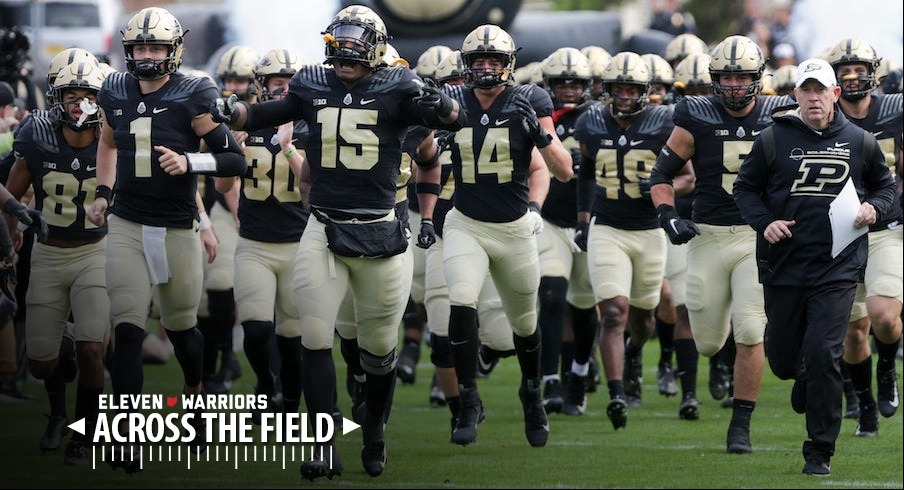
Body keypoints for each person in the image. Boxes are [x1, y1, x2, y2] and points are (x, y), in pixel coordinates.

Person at [209, 4, 464, 479]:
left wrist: (441, 103)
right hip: (323, 229)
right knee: (315, 338)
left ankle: (373, 431)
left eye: (355, 40)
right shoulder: (311, 83)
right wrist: (233, 111)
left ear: (376, 47)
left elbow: (451, 119)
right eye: (339, 39)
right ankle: (323, 444)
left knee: (377, 351)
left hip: (382, 234)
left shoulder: (398, 84)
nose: (345, 49)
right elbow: (266, 111)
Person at [87, 6, 247, 471]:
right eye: (140, 47)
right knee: (128, 328)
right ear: (128, 50)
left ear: (174, 50)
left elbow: (233, 160)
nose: (148, 56)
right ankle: (128, 434)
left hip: (178, 224)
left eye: (156, 47)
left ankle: (195, 397)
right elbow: (108, 142)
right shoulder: (114, 89)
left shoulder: (193, 92)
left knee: (182, 330)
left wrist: (190, 162)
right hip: (127, 223)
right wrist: (102, 193)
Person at [733, 57, 896, 475]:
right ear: (795, 95)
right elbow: (745, 188)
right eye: (806, 90)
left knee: (826, 352)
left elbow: (885, 187)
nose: (813, 98)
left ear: (835, 94)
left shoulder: (860, 141)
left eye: (820, 90)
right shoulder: (772, 139)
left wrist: (873, 209)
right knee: (785, 361)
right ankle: (801, 371)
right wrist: (764, 222)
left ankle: (819, 451)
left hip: (837, 268)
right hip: (783, 266)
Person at [649, 35, 792, 453]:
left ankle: (741, 425)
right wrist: (668, 215)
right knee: (709, 341)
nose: (732, 85)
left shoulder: (780, 115)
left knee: (750, 328)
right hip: (708, 235)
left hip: (757, 235)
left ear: (756, 78)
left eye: (740, 76)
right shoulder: (695, 115)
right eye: (725, 77)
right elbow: (660, 175)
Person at [5, 60, 106, 465]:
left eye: (89, 95)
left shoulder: (112, 136)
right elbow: (12, 191)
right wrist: (10, 235)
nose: (80, 103)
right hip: (47, 252)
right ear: (56, 97)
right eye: (71, 94)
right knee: (42, 364)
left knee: (93, 351)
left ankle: (84, 438)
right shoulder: (36, 133)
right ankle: (59, 412)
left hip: (96, 252)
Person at [574, 51, 672, 425]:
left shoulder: (663, 122)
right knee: (613, 312)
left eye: (632, 88)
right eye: (619, 88)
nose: (626, 95)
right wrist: (583, 220)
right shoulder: (592, 122)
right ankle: (616, 394)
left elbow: (688, 173)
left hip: (649, 231)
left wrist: (663, 188)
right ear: (607, 90)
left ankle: (634, 353)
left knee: (644, 318)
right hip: (608, 228)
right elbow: (584, 174)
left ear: (645, 91)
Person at [214, 47, 307, 424]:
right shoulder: (244, 124)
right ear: (262, 87)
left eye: (288, 84)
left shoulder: (309, 126)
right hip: (254, 240)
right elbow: (222, 186)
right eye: (275, 84)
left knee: (292, 338)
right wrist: (230, 149)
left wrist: (288, 149)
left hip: (299, 242)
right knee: (255, 329)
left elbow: (312, 186)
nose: (282, 91)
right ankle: (266, 385)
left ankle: (289, 404)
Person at [826, 38, 903, 437]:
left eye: (859, 69)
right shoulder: (821, 116)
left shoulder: (893, 111)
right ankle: (866, 404)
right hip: (840, 233)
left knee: (885, 318)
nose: (853, 77)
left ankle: (888, 367)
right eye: (844, 70)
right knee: (852, 331)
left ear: (875, 73)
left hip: (886, 228)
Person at [533, 47, 598, 417]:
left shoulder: (598, 118)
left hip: (590, 221)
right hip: (551, 221)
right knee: (553, 294)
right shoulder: (538, 117)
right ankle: (549, 381)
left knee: (585, 305)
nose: (570, 89)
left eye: (576, 83)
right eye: (562, 83)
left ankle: (578, 373)